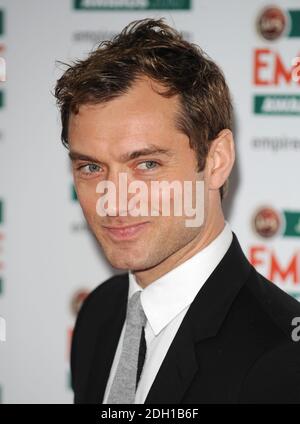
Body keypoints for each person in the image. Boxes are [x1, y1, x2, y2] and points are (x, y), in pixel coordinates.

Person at [54, 18, 300, 404]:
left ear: (216, 161)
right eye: (91, 168)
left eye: (147, 165)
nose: (114, 201)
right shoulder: (99, 314)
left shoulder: (283, 358)